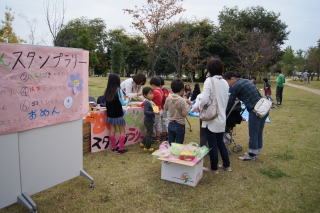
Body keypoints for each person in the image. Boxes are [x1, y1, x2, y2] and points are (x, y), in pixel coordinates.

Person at [225, 71, 269, 161]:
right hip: (264, 109)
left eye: (227, 81)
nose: (228, 84)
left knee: (253, 133)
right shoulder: (247, 81)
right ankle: (256, 151)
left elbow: (230, 102)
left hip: (255, 111)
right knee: (258, 132)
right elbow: (256, 95)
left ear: (232, 78)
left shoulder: (235, 86)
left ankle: (252, 155)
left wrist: (223, 110)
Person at [200, 58, 231, 174]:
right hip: (222, 115)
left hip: (212, 116)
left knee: (212, 143)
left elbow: (204, 99)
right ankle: (226, 165)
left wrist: (200, 106)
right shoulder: (224, 82)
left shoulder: (209, 81)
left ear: (209, 69)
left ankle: (214, 168)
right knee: (220, 142)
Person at [104, 73, 129, 154]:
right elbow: (123, 103)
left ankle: (114, 147)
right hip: (118, 114)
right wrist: (127, 100)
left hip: (110, 115)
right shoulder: (119, 90)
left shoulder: (106, 90)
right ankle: (121, 148)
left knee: (112, 130)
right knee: (122, 131)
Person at [164, 79, 192, 144]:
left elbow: (165, 108)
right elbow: (184, 114)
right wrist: (190, 105)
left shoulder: (168, 98)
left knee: (171, 144)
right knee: (179, 146)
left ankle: (171, 154)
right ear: (182, 90)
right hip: (180, 125)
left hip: (170, 123)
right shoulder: (182, 100)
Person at [140, 87, 156, 152]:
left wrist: (155, 112)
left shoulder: (150, 102)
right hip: (148, 120)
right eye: (150, 94)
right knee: (150, 133)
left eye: (152, 93)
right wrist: (153, 112)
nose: (152, 95)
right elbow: (145, 112)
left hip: (150, 120)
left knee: (149, 133)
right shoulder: (147, 102)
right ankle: (147, 147)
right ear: (145, 95)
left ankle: (143, 143)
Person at [150, 77, 163, 142]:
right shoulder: (161, 90)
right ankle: (158, 136)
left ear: (153, 85)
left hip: (155, 108)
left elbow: (150, 99)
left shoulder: (155, 92)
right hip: (160, 108)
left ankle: (153, 137)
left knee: (153, 124)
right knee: (158, 124)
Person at [159, 77, 169, 141]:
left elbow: (165, 99)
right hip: (162, 108)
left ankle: (165, 134)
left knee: (165, 121)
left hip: (165, 108)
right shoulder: (161, 89)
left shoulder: (164, 89)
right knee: (162, 121)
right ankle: (164, 133)